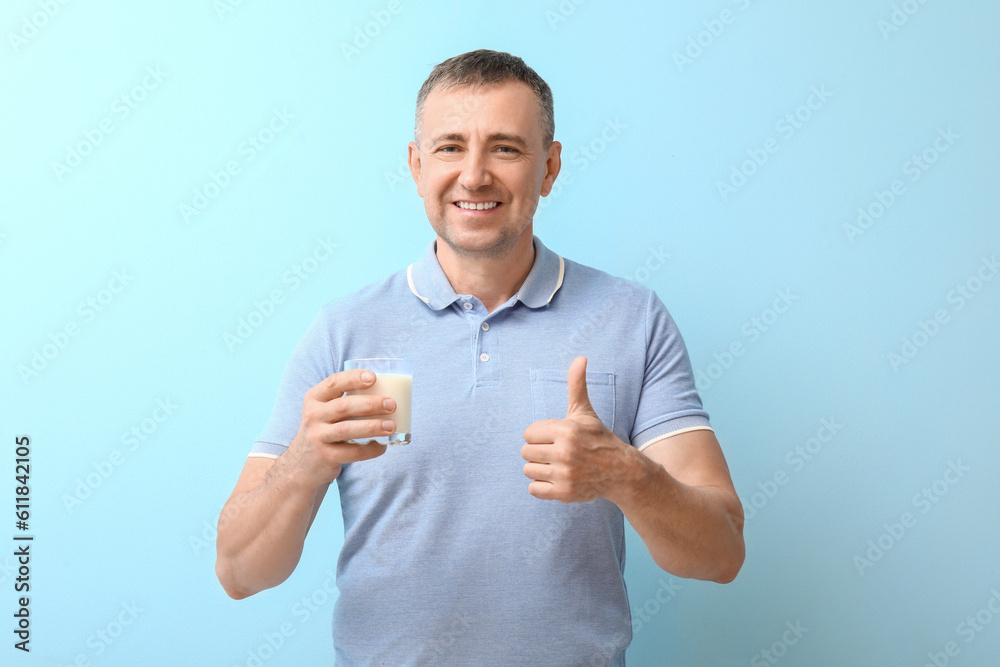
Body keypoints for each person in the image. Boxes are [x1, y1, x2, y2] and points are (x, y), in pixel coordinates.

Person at [216, 49, 744, 666]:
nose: (473, 176)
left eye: (505, 148)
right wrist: (304, 462)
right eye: (448, 148)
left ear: (549, 168)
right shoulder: (344, 332)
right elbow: (239, 572)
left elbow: (721, 554)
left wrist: (625, 475)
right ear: (416, 166)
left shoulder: (633, 319)